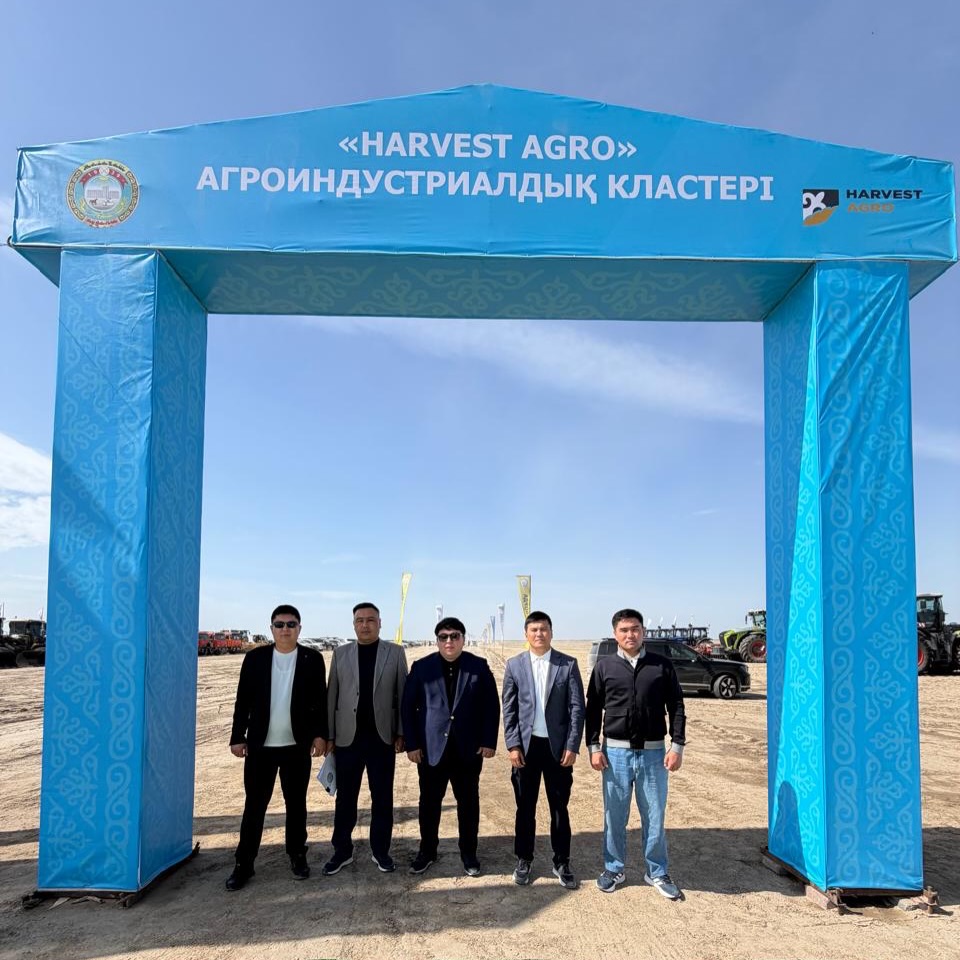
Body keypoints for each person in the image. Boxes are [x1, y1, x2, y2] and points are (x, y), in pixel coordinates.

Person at [585, 607, 686, 899]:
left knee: (654, 815)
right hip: (614, 755)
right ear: (615, 633)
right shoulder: (604, 667)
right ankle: (613, 868)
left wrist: (677, 746)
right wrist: (593, 747)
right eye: (624, 630)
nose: (630, 634)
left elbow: (676, 706)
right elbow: (593, 710)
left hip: (654, 755)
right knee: (614, 816)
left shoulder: (661, 665)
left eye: (635, 629)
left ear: (643, 632)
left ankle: (657, 871)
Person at [226, 604, 328, 891]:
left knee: (296, 805)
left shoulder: (312, 659)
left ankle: (297, 855)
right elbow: (242, 700)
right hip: (261, 747)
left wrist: (320, 735)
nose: (285, 629)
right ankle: (244, 863)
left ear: (299, 628)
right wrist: (237, 736)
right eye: (280, 624)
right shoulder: (255, 658)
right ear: (271, 628)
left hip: (297, 746)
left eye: (291, 624)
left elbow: (320, 701)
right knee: (255, 805)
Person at [400, 616, 500, 876]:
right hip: (431, 750)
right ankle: (427, 851)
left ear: (463, 639)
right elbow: (407, 708)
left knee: (468, 804)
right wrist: (412, 744)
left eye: (454, 636)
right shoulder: (422, 667)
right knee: (429, 804)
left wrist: (488, 741)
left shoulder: (478, 667)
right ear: (437, 641)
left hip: (468, 750)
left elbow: (491, 706)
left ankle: (469, 853)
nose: (449, 641)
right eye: (443, 637)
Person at [322, 602, 408, 875]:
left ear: (380, 623)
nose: (365, 625)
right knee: (345, 798)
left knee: (382, 797)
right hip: (348, 740)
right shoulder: (341, 654)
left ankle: (380, 851)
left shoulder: (395, 653)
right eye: (360, 620)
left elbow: (403, 695)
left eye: (371, 620)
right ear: (353, 624)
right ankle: (342, 850)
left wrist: (402, 732)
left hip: (382, 739)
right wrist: (330, 736)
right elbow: (332, 696)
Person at [502, 610, 585, 889]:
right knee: (525, 807)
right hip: (526, 749)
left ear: (551, 632)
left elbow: (577, 708)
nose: (539, 634)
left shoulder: (567, 664)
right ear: (526, 634)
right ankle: (524, 859)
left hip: (557, 750)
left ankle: (562, 861)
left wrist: (572, 745)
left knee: (559, 807)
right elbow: (509, 709)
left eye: (544, 629)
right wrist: (513, 744)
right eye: (534, 630)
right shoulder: (514, 665)